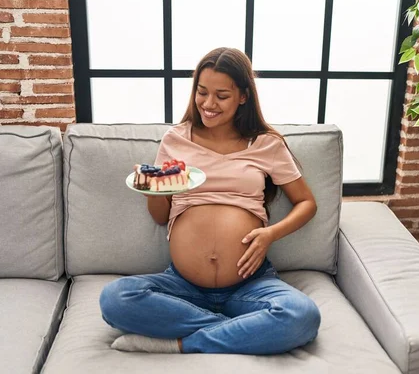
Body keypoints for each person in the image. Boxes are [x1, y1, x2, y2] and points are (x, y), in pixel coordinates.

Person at [99, 47, 321, 355]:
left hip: (248, 284)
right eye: (202, 92)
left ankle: (184, 342)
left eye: (221, 95)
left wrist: (270, 234)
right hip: (183, 287)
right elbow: (160, 216)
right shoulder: (176, 139)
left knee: (302, 316)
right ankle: (244, 329)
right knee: (115, 300)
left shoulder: (265, 144)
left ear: (243, 96)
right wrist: (154, 188)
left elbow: (307, 203)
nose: (208, 104)